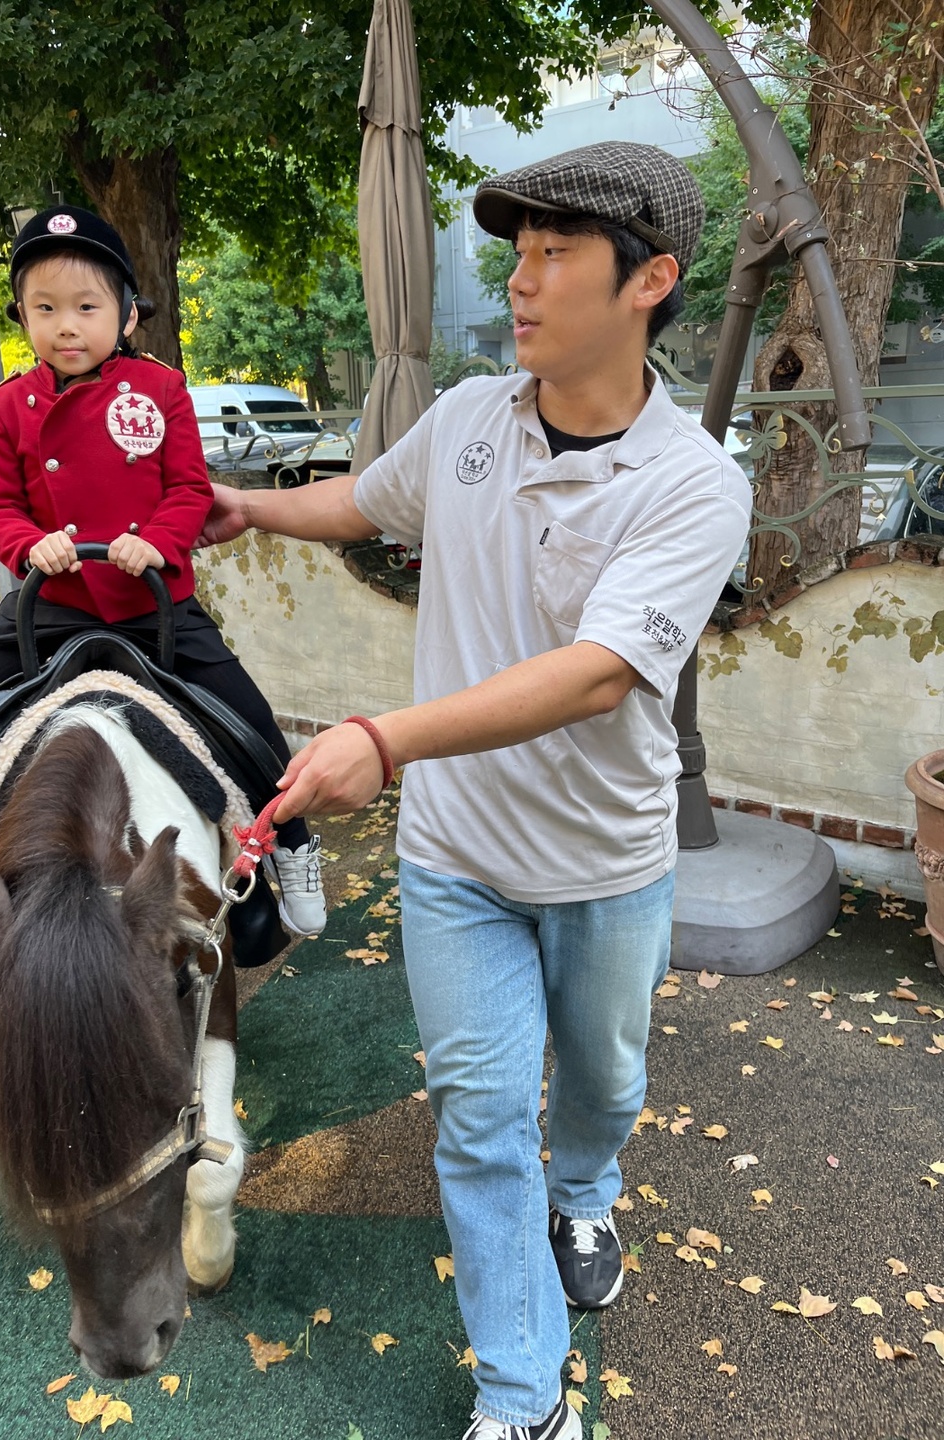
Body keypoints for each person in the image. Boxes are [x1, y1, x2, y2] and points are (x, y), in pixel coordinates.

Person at [197, 141, 753, 1439]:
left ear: (649, 280)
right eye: (517, 251)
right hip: (455, 860)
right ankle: (525, 1399)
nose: (521, 279)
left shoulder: (692, 483)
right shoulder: (463, 422)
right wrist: (248, 509)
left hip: (609, 864)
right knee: (481, 1123)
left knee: (602, 1086)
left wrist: (383, 741)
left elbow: (596, 676)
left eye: (557, 253)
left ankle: (590, 1186)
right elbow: (364, 501)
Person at [0, 206, 325, 943]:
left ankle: (292, 841)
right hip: (50, 606)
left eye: (86, 307)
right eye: (45, 309)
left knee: (249, 716)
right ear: (23, 316)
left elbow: (187, 490)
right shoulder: (5, 407)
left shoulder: (162, 390)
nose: (66, 326)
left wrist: (155, 542)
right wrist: (29, 546)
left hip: (153, 602)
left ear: (127, 313)